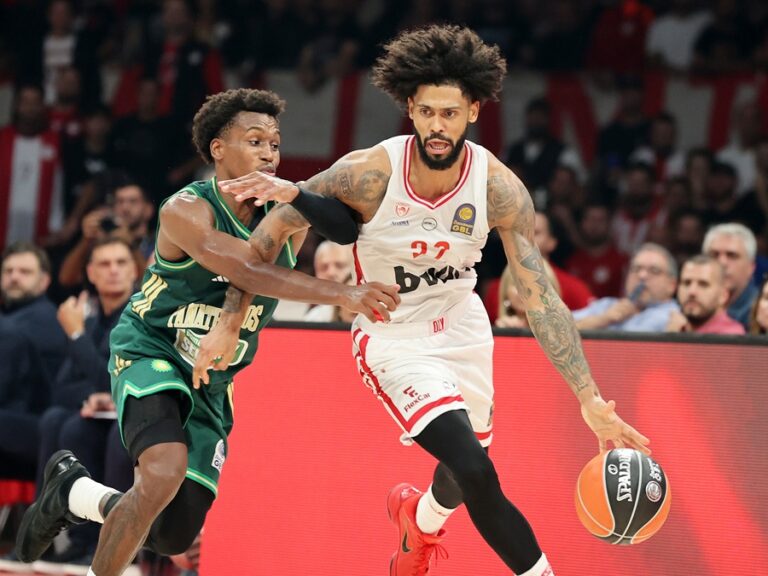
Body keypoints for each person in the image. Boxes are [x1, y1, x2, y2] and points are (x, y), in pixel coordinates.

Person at [211, 25, 650, 576]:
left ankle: (417, 521)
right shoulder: (370, 172)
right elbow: (275, 228)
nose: (437, 126)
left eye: (449, 113)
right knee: (477, 469)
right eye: (426, 113)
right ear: (410, 111)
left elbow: (540, 299)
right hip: (393, 337)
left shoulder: (498, 187)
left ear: (472, 111)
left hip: (463, 326)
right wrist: (231, 319)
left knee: (465, 469)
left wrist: (589, 398)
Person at [14, 87, 400, 576]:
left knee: (171, 532)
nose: (269, 153)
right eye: (255, 141)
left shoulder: (285, 215)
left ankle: (75, 492)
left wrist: (317, 194)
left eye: (275, 144)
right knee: (162, 473)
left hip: (213, 379)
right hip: (153, 348)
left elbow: (343, 219)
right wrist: (344, 294)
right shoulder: (185, 209)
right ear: (218, 148)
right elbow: (248, 270)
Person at [572, 243, 679, 332]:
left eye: (654, 271)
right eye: (636, 269)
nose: (642, 276)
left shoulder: (673, 318)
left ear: (672, 285)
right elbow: (562, 326)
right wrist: (603, 319)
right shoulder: (606, 306)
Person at [665, 254, 745, 334]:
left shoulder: (731, 335)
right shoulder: (675, 327)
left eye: (703, 284)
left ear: (723, 295)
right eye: (687, 283)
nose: (692, 292)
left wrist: (672, 337)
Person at [702, 222, 759, 329]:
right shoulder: (690, 308)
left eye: (732, 255)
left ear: (751, 267)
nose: (722, 263)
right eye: (714, 255)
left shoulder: (760, 312)